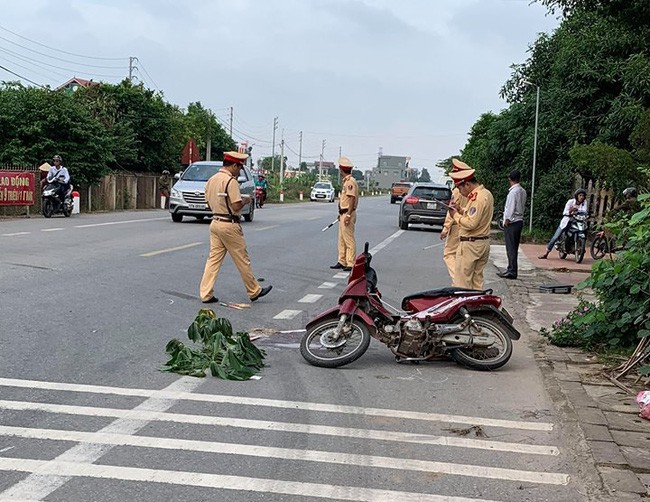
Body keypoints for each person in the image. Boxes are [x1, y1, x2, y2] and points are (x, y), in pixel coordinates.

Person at [199, 151, 272, 303]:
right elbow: (236, 205)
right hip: (229, 224)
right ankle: (254, 290)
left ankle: (206, 293)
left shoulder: (212, 180)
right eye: (239, 167)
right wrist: (246, 201)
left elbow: (207, 201)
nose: (239, 170)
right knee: (242, 259)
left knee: (213, 260)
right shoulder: (230, 182)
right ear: (233, 165)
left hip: (215, 222)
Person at [448, 166, 494, 290]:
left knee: (462, 285)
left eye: (459, 188)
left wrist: (455, 215)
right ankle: (476, 307)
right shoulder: (486, 194)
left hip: (471, 245)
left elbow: (471, 223)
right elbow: (476, 216)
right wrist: (460, 210)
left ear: (467, 184)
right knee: (476, 284)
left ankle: (465, 308)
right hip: (482, 243)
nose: (459, 192)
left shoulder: (477, 198)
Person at [440, 158, 472, 285]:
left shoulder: (457, 190)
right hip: (466, 224)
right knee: (460, 256)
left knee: (449, 254)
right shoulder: (472, 189)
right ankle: (458, 282)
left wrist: (445, 228)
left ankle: (457, 281)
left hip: (456, 225)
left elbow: (451, 211)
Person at [539, 188, 588, 259]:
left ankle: (581, 246)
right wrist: (570, 211)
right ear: (576, 196)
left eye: (583, 196)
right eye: (580, 195)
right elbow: (564, 212)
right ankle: (546, 253)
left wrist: (580, 212)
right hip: (567, 221)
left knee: (584, 230)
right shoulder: (570, 202)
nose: (581, 197)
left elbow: (584, 211)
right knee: (555, 237)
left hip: (578, 221)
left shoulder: (584, 203)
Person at [329, 156, 359, 272]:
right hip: (344, 213)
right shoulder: (347, 181)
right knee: (341, 239)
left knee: (348, 239)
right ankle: (342, 261)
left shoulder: (350, 182)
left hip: (348, 213)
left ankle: (351, 263)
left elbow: (351, 199)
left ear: (341, 169)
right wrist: (341, 213)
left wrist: (348, 215)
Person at [498, 170, 527, 279]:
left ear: (510, 179)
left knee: (510, 247)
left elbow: (510, 207)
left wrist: (507, 219)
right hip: (519, 220)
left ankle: (511, 270)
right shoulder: (522, 191)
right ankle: (511, 268)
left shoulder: (513, 192)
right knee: (514, 247)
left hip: (512, 221)